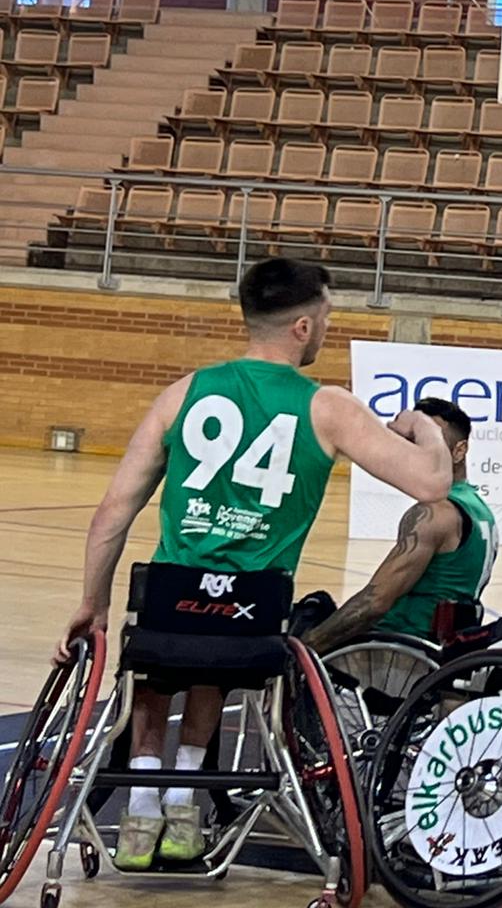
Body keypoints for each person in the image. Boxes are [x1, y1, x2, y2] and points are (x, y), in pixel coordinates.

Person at [56, 258, 454, 871]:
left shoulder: (185, 392)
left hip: (170, 599)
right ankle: (186, 807)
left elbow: (113, 511)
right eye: (325, 317)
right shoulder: (328, 407)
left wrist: (93, 604)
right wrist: (423, 425)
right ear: (301, 326)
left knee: (162, 652)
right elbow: (432, 483)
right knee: (223, 644)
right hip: (251, 616)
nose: (327, 328)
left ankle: (139, 813)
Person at [306, 398, 499, 652]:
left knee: (307, 616)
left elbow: (375, 603)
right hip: (443, 644)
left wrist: (307, 646)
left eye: (432, 442)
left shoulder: (434, 513)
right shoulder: (479, 509)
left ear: (459, 451)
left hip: (402, 648)